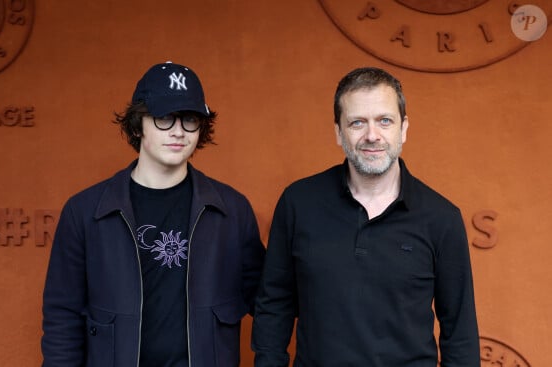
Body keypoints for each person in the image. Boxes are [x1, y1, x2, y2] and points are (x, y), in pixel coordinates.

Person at [41, 61, 266, 367]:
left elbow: (267, 300)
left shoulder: (231, 209)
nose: (178, 132)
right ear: (137, 125)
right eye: (163, 118)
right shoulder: (85, 212)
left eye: (189, 120)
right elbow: (62, 315)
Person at [252, 67, 480, 366]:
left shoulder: (441, 218)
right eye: (357, 122)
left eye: (385, 121)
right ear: (338, 131)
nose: (372, 136)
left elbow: (460, 332)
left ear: (404, 127)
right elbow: (274, 306)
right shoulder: (298, 203)